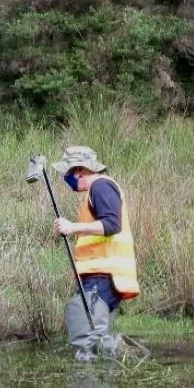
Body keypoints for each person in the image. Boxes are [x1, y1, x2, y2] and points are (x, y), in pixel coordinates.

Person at [51, 145, 139, 361]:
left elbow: (111, 224)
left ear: (80, 170)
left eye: (69, 173)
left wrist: (72, 227)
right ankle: (117, 359)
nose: (67, 178)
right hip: (101, 276)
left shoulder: (101, 187)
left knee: (88, 341)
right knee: (93, 335)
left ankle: (117, 361)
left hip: (102, 276)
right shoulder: (98, 190)